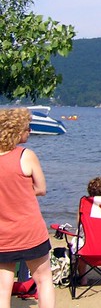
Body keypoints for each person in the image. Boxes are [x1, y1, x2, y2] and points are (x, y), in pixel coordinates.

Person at [0, 107, 56, 308]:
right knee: (43, 279)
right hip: (30, 231)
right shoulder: (26, 155)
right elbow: (41, 189)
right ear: (16, 130)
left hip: (3, 233)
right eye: (27, 128)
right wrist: (21, 192)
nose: (29, 131)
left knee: (3, 288)